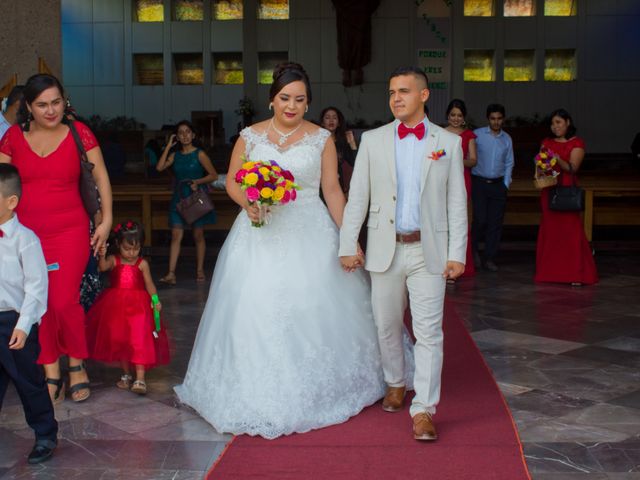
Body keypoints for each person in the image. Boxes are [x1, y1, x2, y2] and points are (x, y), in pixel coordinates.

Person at [174, 62, 404, 439]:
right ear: (271, 100)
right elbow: (232, 180)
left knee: (312, 304)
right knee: (252, 306)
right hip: (258, 232)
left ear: (308, 102)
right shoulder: (250, 137)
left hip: (310, 230)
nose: (291, 106)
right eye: (284, 98)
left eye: (300, 99)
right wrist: (247, 202)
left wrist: (349, 237)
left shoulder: (321, 139)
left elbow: (332, 190)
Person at [339, 66, 467, 441]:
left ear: (424, 96)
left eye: (405, 91)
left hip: (430, 251)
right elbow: (357, 195)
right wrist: (349, 244)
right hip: (384, 248)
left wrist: (456, 252)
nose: (396, 98)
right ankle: (395, 381)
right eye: (392, 91)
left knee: (430, 333)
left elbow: (456, 202)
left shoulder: (449, 142)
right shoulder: (373, 140)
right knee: (387, 325)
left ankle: (424, 409)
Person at [0, 73, 113, 405]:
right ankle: (51, 370)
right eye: (42, 105)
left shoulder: (79, 133)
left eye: (56, 102)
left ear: (65, 101)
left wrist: (105, 221)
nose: (51, 111)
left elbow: (101, 177)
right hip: (27, 235)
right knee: (39, 302)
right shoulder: (12, 139)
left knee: (64, 300)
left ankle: (76, 363)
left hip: (70, 229)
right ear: (28, 108)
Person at [0, 163, 58, 464]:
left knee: (28, 382)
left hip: (14, 322)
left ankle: (45, 433)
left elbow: (37, 287)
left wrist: (24, 326)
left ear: (11, 202)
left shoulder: (26, 239)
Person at [87, 220, 170, 395]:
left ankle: (140, 378)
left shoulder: (142, 264)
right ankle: (126, 374)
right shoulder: (114, 260)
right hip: (117, 307)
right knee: (121, 340)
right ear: (118, 245)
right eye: (127, 248)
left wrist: (155, 299)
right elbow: (102, 268)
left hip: (139, 308)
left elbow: (149, 284)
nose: (132, 253)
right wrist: (101, 254)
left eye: (136, 248)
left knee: (139, 339)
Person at [534, 109, 598, 285]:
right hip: (549, 189)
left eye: (558, 122)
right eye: (553, 123)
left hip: (567, 190)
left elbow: (572, 167)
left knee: (570, 231)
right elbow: (543, 165)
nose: (555, 127)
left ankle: (574, 274)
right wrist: (541, 161)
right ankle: (549, 273)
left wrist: (555, 157)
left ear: (568, 122)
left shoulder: (577, 143)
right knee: (551, 231)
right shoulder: (546, 142)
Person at [156, 121, 218, 284]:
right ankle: (171, 274)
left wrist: (198, 181)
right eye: (181, 132)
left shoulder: (200, 154)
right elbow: (159, 167)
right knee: (176, 234)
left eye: (188, 132)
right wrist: (169, 146)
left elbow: (213, 175)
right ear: (177, 136)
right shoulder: (174, 155)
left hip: (195, 196)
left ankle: (200, 270)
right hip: (179, 196)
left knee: (198, 234)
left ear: (193, 135)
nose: (184, 135)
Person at [471, 103, 514, 272]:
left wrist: (505, 184)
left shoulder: (507, 139)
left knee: (495, 224)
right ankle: (473, 251)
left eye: (499, 119)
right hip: (480, 183)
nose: (496, 122)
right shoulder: (478, 135)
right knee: (480, 220)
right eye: (493, 118)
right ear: (488, 118)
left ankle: (489, 258)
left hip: (498, 185)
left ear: (503, 119)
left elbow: (510, 162)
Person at [445, 98, 476, 280]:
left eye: (459, 115)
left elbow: (473, 160)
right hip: (444, 179)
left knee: (459, 218)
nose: (456, 118)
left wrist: (456, 161)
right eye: (453, 115)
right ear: (448, 116)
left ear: (464, 118)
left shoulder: (468, 135)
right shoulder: (440, 133)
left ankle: (461, 262)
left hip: (462, 177)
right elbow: (436, 155)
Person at [320, 106, 358, 193]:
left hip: (337, 186)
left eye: (334, 118)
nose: (331, 120)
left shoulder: (342, 143)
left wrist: (352, 143)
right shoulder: (317, 142)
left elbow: (356, 163)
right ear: (322, 123)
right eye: (327, 117)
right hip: (319, 185)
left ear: (339, 123)